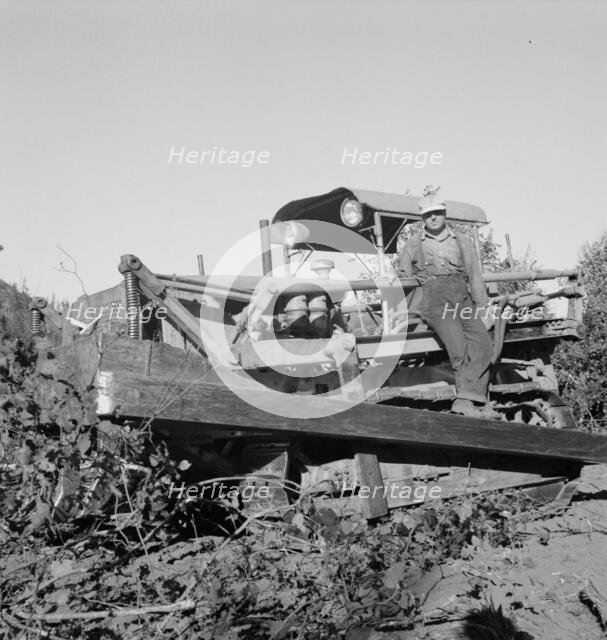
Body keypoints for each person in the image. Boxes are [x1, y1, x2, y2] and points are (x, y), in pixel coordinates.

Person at [397, 197, 500, 418]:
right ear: (422, 218)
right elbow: (404, 278)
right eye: (427, 215)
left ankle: (469, 398)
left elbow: (474, 275)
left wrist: (482, 306)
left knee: (484, 347)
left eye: (436, 213)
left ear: (444, 214)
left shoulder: (461, 241)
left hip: (462, 299)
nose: (433, 217)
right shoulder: (413, 244)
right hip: (435, 301)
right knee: (458, 350)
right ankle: (474, 403)